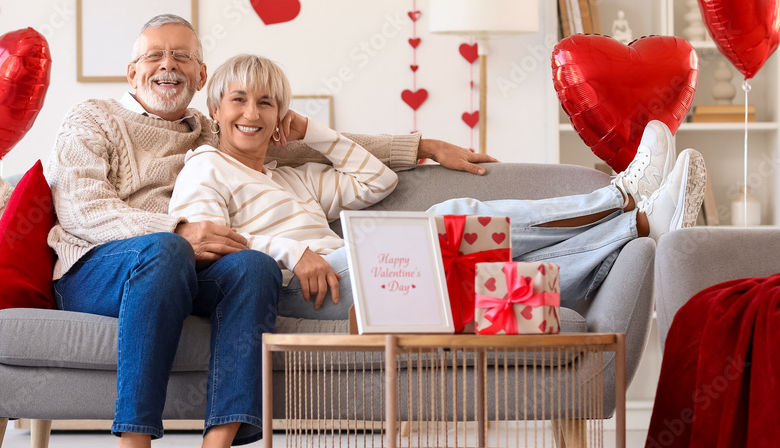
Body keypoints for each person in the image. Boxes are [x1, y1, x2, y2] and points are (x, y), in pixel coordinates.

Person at [44, 14, 494, 448]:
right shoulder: (91, 117)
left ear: (199, 76)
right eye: (154, 55)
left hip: (182, 267)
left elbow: (296, 140)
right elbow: (82, 208)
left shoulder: (210, 131)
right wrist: (178, 230)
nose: (167, 65)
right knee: (167, 249)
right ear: (132, 73)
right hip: (100, 266)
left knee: (254, 265)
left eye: (182, 57)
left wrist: (424, 146)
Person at [168, 53, 707, 319]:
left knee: (488, 287)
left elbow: (374, 180)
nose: (252, 113)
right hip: (298, 286)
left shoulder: (292, 176)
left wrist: (315, 131)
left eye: (267, 102)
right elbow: (207, 240)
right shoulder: (204, 167)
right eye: (239, 100)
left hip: (343, 269)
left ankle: (636, 225)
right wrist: (295, 250)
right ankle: (620, 197)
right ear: (215, 109)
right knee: (451, 215)